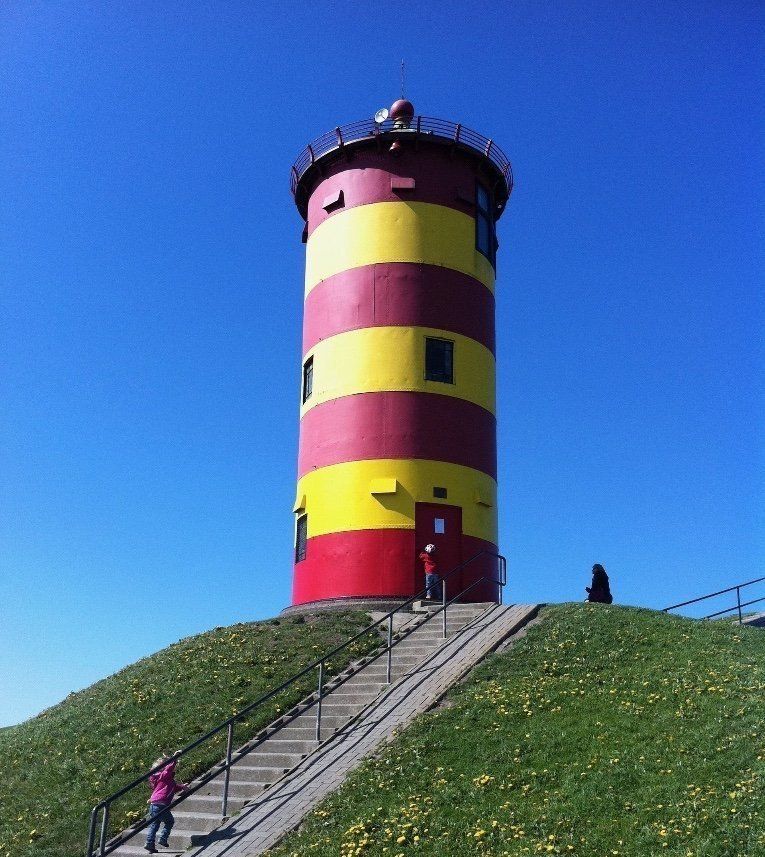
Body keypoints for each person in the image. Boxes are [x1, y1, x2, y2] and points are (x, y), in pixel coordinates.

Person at [144, 751, 187, 853]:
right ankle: (163, 838)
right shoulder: (164, 775)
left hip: (154, 804)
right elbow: (168, 769)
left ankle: (149, 843)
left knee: (154, 824)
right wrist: (175, 758)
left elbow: (173, 787)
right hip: (161, 804)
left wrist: (182, 787)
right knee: (169, 821)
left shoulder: (164, 779)